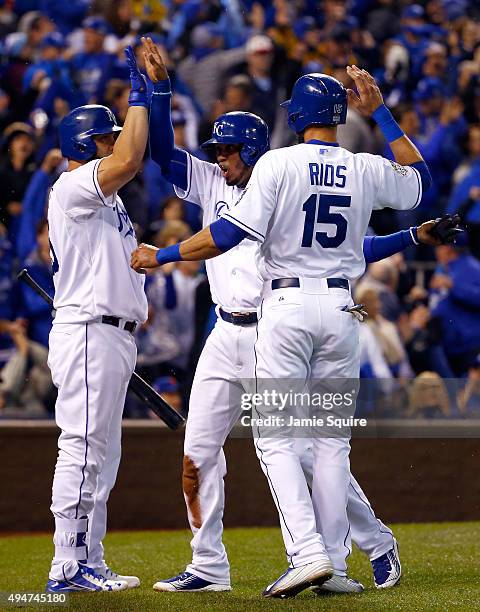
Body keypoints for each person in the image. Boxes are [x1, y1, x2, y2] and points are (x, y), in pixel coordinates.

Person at [133, 42, 436, 596]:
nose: (219, 158)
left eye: (227, 149)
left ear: (276, 130)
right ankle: (214, 566)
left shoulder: (277, 169)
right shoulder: (342, 168)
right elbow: (412, 192)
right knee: (259, 447)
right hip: (269, 322)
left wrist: (166, 255)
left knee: (293, 446)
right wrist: (157, 92)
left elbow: (229, 236)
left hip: (281, 318)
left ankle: (347, 548)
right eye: (216, 150)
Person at [45, 41, 150, 593]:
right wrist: (141, 93)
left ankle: (89, 558)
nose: (115, 146)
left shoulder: (103, 200)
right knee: (83, 448)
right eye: (106, 139)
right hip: (88, 329)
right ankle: (67, 565)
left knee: (101, 457)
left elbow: (127, 161)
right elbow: (130, 159)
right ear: (86, 144)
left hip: (109, 333)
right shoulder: (71, 186)